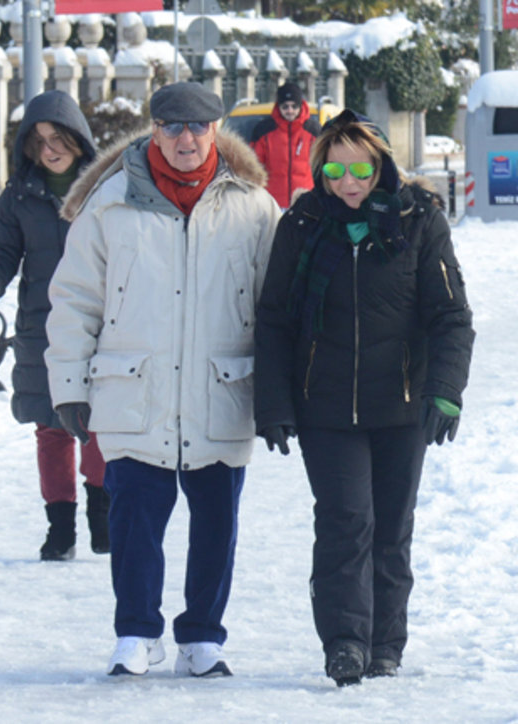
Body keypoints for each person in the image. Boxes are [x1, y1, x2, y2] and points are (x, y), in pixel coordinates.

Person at [44, 82, 280, 677]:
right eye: (172, 126)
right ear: (154, 129)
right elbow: (75, 298)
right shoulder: (111, 203)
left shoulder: (254, 207)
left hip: (222, 388)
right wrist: (69, 385)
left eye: (197, 127)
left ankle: (202, 635)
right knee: (135, 522)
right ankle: (136, 631)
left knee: (217, 523)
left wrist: (280, 392)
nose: (185, 139)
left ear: (216, 129)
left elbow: (276, 305)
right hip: (134, 388)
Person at [254, 109, 474, 686]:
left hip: (401, 406)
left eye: (360, 169)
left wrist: (445, 389)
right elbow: (274, 319)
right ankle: (346, 642)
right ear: (319, 169)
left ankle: (385, 644)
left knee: (391, 528)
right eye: (334, 170)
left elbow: (451, 315)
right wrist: (272, 402)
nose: (348, 182)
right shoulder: (303, 224)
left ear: (381, 166)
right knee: (346, 522)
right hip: (325, 408)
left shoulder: (419, 221)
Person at [0, 90, 105, 562]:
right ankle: (60, 529)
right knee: (51, 425)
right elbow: (0, 253)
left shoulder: (107, 189)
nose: (50, 149)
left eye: (58, 138)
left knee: (100, 421)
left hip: (101, 324)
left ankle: (102, 515)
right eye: (40, 141)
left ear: (77, 138)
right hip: (41, 328)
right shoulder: (19, 196)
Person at [251, 81, 320, 209]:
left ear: (300, 105)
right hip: (272, 202)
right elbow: (253, 166)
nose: (290, 111)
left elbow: (322, 165)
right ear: (279, 107)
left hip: (305, 201)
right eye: (285, 107)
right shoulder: (264, 130)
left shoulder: (313, 130)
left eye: (294, 106)